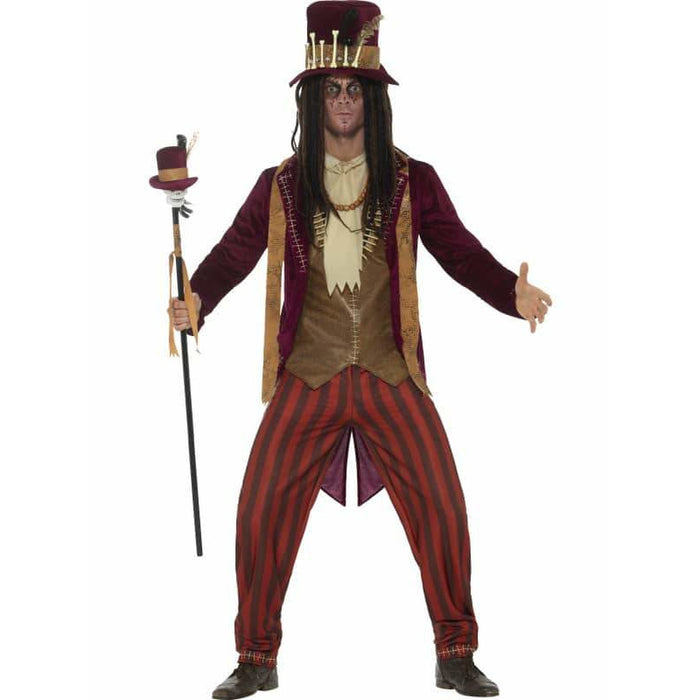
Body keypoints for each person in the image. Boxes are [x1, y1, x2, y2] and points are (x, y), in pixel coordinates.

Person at [168, 2, 552, 697]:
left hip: (388, 370)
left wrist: (510, 293)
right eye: (332, 89)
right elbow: (233, 253)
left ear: (372, 101)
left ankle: (455, 651)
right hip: (309, 372)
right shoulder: (281, 185)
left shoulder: (412, 180)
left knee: (442, 502)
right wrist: (196, 299)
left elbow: (459, 252)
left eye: (355, 90)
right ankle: (255, 657)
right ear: (313, 98)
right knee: (259, 507)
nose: (344, 101)